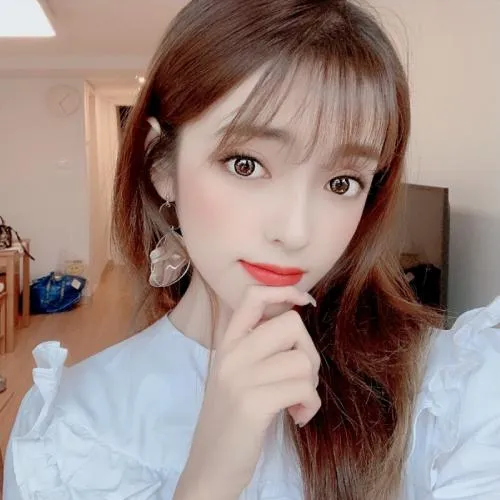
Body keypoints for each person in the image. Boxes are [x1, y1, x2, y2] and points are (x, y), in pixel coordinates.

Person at [3, 0, 500, 499]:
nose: (296, 231)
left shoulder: (448, 393)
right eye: (246, 164)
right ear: (161, 166)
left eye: (342, 182)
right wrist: (209, 480)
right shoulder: (68, 435)